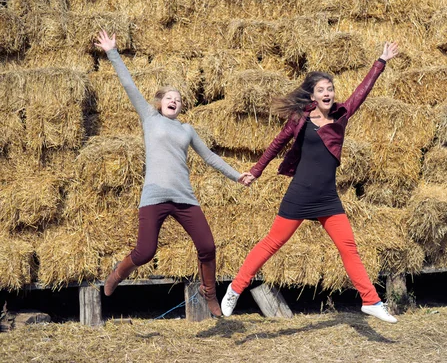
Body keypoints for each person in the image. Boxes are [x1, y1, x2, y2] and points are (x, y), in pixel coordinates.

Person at [220, 41, 400, 323]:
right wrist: (256, 171)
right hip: (301, 193)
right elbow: (276, 144)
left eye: (330, 89)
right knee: (271, 243)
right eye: (321, 90)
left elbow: (361, 92)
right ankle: (236, 288)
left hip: (328, 196)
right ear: (312, 96)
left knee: (348, 247)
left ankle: (371, 300)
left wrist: (380, 62)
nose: (327, 93)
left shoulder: (342, 115)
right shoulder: (300, 118)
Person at [94, 30, 252, 317]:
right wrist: (112, 52)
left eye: (178, 99)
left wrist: (237, 175)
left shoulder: (187, 130)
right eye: (169, 97)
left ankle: (210, 294)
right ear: (159, 103)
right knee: (145, 252)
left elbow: (210, 157)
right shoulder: (149, 118)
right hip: (154, 196)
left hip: (184, 197)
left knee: (207, 246)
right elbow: (129, 85)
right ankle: (118, 272)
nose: (174, 100)